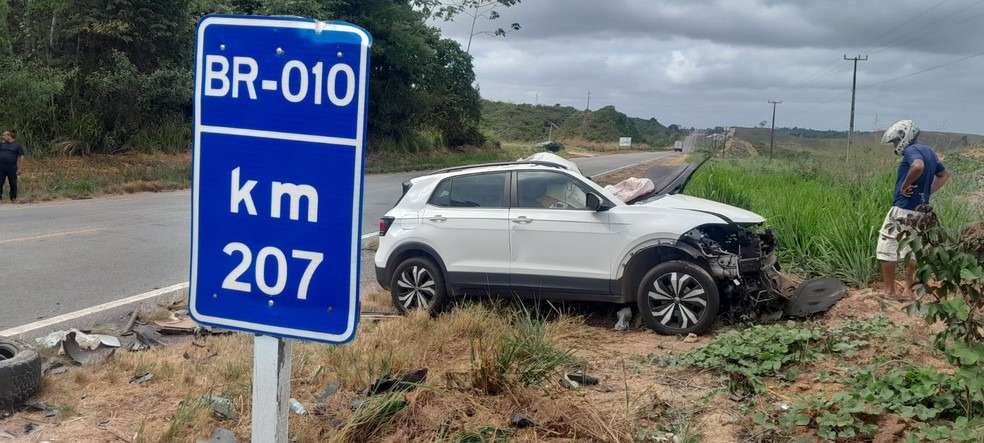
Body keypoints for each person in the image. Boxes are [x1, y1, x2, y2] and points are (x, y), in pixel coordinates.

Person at [876, 120, 949, 299]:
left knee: (887, 245)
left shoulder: (911, 150)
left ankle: (889, 292)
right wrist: (927, 192)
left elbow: (917, 166)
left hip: (902, 208)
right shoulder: (929, 152)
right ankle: (909, 291)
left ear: (904, 136)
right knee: (913, 250)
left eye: (895, 141)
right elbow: (944, 174)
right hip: (921, 211)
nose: (895, 145)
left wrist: (905, 185)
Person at [0, 131, 25, 202]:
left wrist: (20, 168)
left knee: (13, 183)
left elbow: (21, 156)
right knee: (0, 182)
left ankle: (13, 198)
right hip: (1, 167)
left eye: (4, 135)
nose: (3, 137)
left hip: (11, 167)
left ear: (9, 136)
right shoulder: (1, 144)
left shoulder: (17, 146)